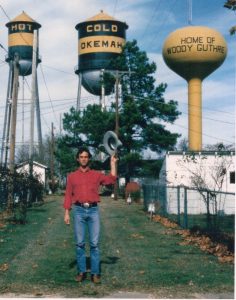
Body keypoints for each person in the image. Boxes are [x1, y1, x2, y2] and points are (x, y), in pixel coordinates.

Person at [63, 146, 117, 284]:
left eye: (86, 157)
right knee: (80, 244)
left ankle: (95, 273)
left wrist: (112, 164)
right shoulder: (72, 177)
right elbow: (68, 195)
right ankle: (81, 272)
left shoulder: (96, 175)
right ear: (77, 159)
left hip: (93, 211)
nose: (83, 159)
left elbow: (111, 180)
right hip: (79, 211)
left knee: (94, 244)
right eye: (81, 157)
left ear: (89, 159)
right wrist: (67, 213)